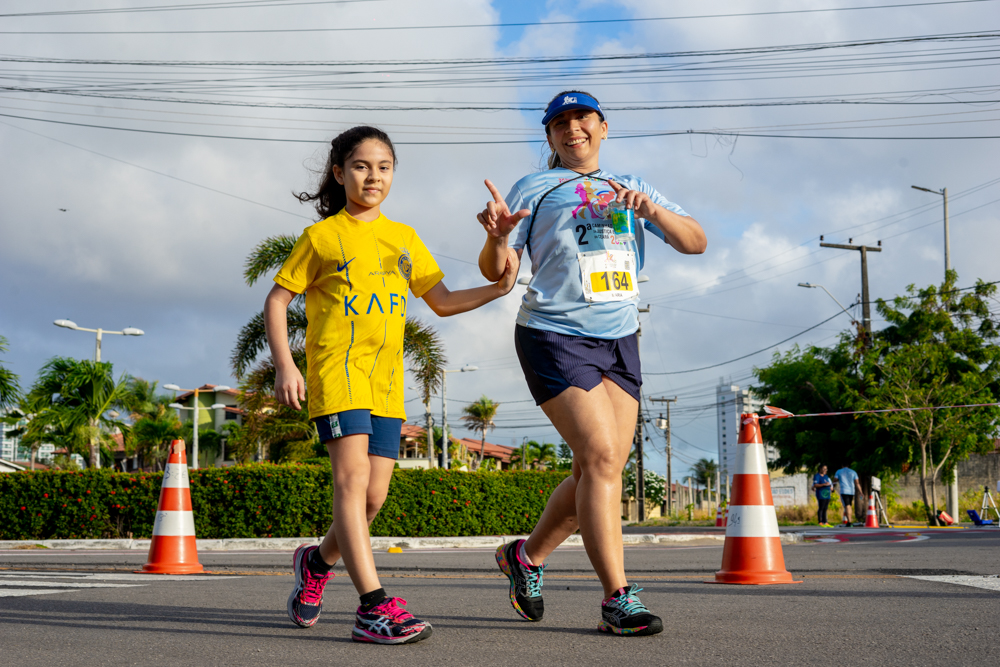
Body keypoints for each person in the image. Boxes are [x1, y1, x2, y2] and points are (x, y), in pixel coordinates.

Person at [266, 126, 517, 644]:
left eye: (384, 167)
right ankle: (373, 608)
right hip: (337, 376)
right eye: (361, 166)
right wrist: (285, 365)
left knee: (373, 498)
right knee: (351, 484)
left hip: (385, 385)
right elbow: (276, 300)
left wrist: (497, 289)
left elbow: (442, 300)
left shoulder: (403, 238)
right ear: (339, 173)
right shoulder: (322, 237)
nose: (373, 175)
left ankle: (315, 563)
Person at [476, 91, 706, 636]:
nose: (571, 128)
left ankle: (525, 558)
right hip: (552, 334)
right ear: (550, 137)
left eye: (581, 118)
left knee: (594, 473)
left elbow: (695, 242)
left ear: (603, 126)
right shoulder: (536, 187)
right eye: (558, 123)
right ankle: (617, 600)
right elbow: (498, 274)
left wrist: (649, 210)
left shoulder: (633, 187)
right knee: (601, 459)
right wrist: (498, 236)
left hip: (620, 338)